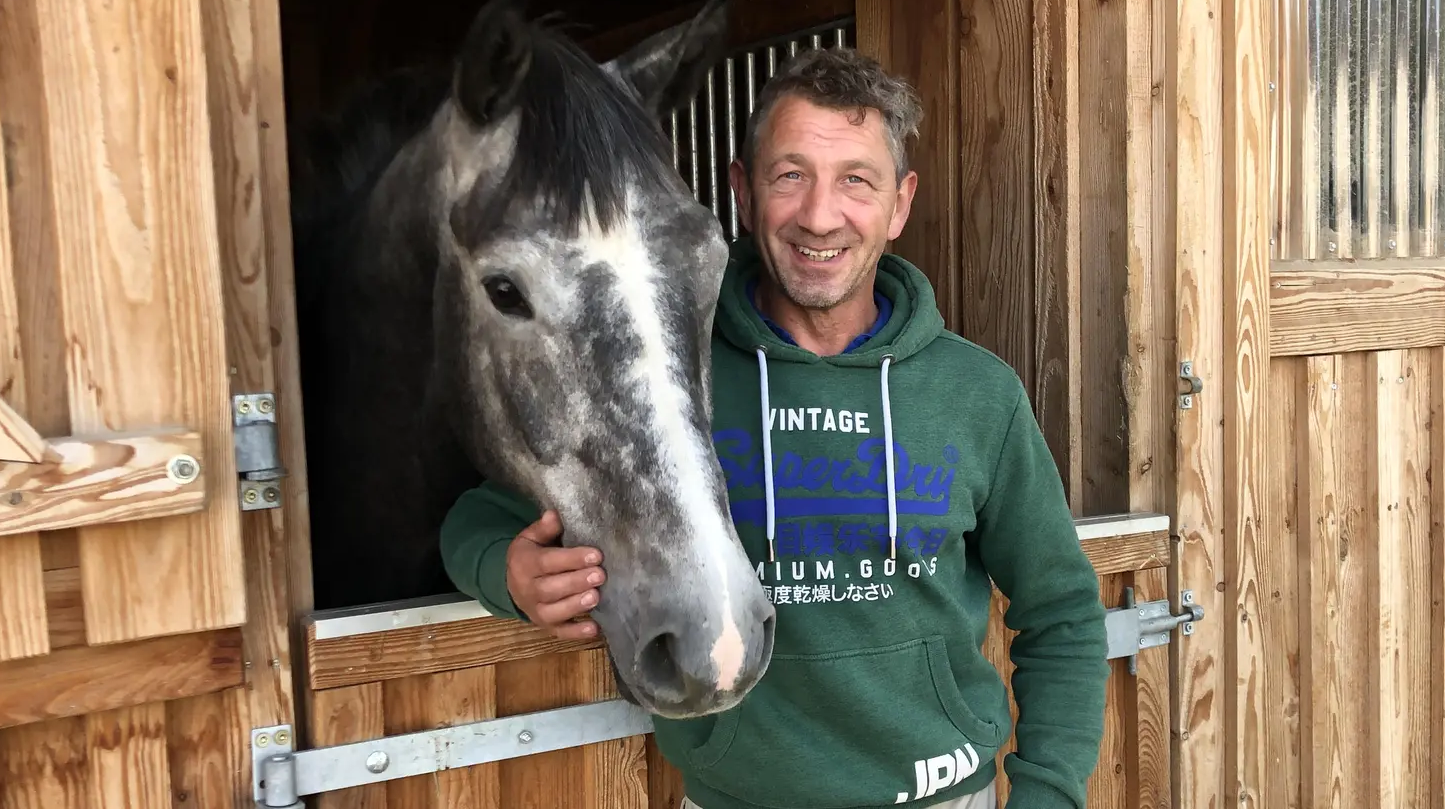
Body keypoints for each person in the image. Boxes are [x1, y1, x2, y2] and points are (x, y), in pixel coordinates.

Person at [440, 47, 1109, 809]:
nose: (820, 215)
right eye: (790, 176)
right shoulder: (664, 374)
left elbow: (1060, 612)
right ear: (744, 195)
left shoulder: (977, 395)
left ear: (900, 203)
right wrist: (509, 574)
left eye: (857, 180)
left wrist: (1048, 795)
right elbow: (480, 516)